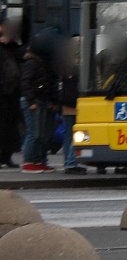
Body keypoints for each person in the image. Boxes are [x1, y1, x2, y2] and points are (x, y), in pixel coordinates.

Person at [19, 28, 61, 173]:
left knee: (42, 134)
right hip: (34, 100)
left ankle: (39, 160)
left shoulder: (41, 62)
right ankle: (29, 161)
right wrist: (31, 100)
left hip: (41, 99)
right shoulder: (33, 63)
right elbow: (25, 82)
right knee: (34, 133)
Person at [58, 36, 86, 174]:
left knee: (69, 134)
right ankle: (71, 162)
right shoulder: (80, 66)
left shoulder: (64, 64)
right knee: (76, 134)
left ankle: (67, 161)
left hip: (65, 104)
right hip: (75, 105)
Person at [0, 19, 23, 168]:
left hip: (11, 93)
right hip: (3, 92)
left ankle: (6, 156)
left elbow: (21, 57)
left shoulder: (13, 47)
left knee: (10, 126)